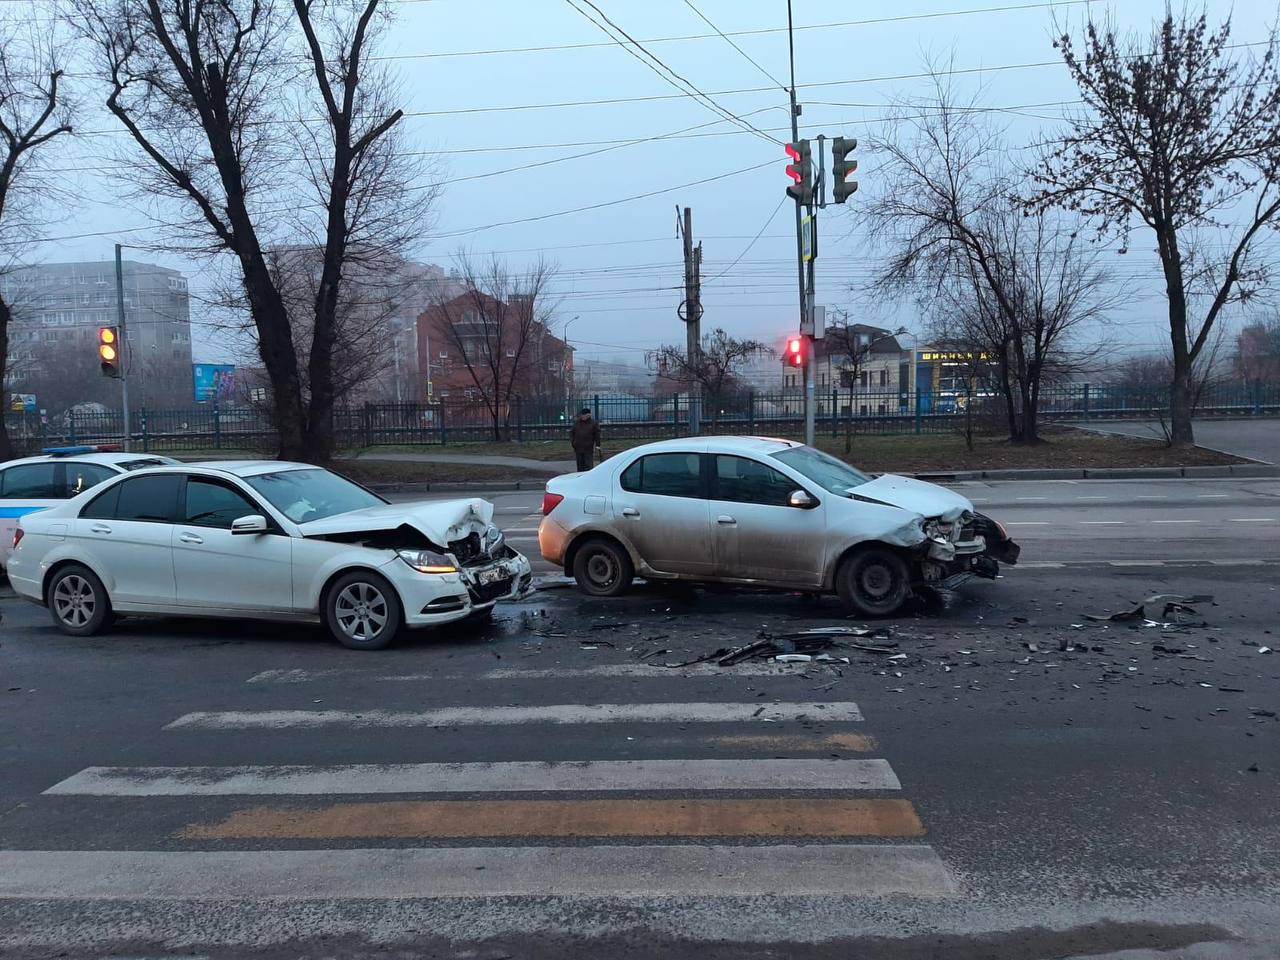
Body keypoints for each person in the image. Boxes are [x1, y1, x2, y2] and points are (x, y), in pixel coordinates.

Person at [569, 406, 600, 472]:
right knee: (580, 466)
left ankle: (589, 478)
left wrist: (598, 445)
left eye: (584, 415)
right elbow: (571, 432)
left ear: (588, 415)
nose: (582, 416)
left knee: (588, 465)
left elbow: (597, 435)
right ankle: (580, 478)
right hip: (578, 447)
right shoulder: (577, 422)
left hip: (588, 447)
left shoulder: (593, 423)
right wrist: (573, 442)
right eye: (581, 415)